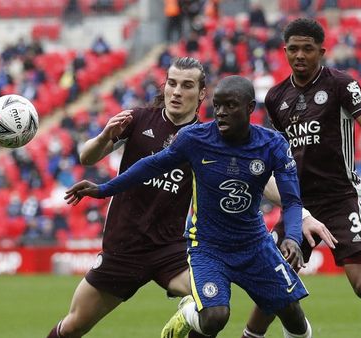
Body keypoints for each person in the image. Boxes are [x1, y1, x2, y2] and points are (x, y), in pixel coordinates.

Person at [64, 75, 315, 338]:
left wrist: (294, 238)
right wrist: (104, 190)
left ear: (250, 108)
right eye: (217, 106)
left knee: (293, 315)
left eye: (230, 106)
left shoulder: (273, 144)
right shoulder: (195, 138)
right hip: (208, 247)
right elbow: (150, 165)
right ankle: (187, 315)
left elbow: (292, 199)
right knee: (215, 316)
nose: (221, 113)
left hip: (254, 245)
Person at [242, 18, 361, 338]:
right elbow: (278, 151)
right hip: (299, 203)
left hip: (341, 199)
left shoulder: (340, 84)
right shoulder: (275, 97)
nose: (299, 55)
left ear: (321, 52)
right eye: (293, 49)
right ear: (284, 51)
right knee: (274, 280)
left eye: (307, 49)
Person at [46, 56, 207, 338]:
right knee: (72, 326)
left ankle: (182, 323)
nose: (177, 91)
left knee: (212, 303)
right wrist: (104, 136)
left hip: (169, 249)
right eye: (172, 83)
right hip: (123, 248)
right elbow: (86, 157)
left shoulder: (207, 137)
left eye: (187, 85)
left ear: (202, 93)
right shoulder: (138, 119)